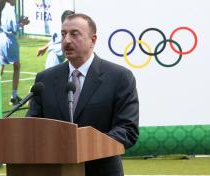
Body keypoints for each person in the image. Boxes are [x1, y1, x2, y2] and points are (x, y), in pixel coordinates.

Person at [26, 13, 139, 176]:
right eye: (64, 34)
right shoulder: (45, 80)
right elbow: (32, 125)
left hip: (101, 170)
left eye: (74, 34)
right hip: (54, 170)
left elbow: (128, 129)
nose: (67, 41)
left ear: (93, 40)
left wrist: (85, 145)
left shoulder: (119, 77)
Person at [0, 0, 30, 105]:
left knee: (1, 66)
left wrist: (20, 21)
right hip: (9, 40)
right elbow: (13, 28)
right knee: (17, 66)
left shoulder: (5, 8)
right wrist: (23, 23)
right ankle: (14, 96)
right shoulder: (10, 9)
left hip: (1, 39)